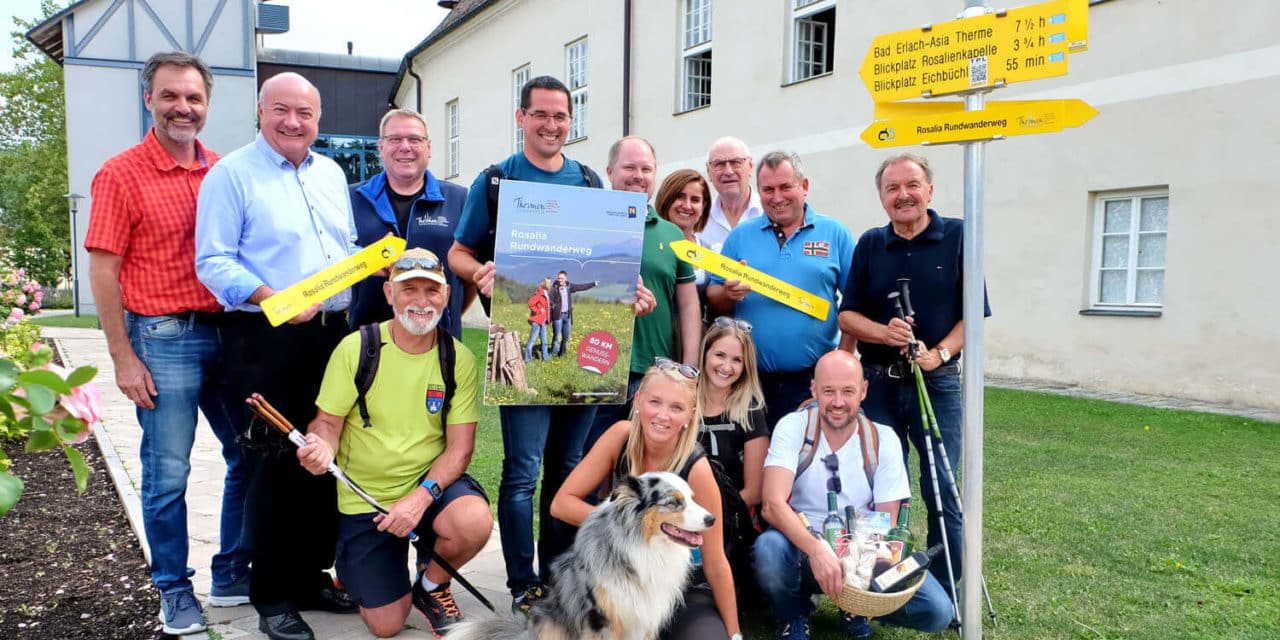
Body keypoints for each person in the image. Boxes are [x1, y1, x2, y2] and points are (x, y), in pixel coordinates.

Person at [447, 75, 656, 613]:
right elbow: (458, 255)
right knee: (522, 472)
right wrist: (483, 274)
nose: (551, 125)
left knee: (569, 469)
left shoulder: (588, 181)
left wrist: (625, 290)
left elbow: (605, 256)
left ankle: (559, 574)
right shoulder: (494, 182)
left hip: (588, 359)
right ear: (521, 119)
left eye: (561, 116)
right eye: (540, 115)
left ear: (571, 122)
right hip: (517, 350)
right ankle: (523, 582)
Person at [84, 51, 248, 635]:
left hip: (228, 334)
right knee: (169, 472)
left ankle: (231, 573)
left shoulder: (224, 171)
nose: (184, 107)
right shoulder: (120, 173)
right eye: (170, 96)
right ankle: (174, 589)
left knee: (250, 453)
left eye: (194, 98)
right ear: (148, 99)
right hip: (161, 337)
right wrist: (122, 358)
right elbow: (104, 271)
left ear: (207, 104)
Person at [195, 72, 358, 640]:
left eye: (305, 114)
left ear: (318, 119)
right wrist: (274, 300)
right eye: (281, 110)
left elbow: (339, 250)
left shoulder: (332, 173)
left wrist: (374, 261)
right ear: (260, 111)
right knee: (273, 462)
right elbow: (213, 262)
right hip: (265, 338)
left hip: (331, 336)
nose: (293, 122)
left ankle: (311, 576)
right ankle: (269, 595)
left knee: (323, 454)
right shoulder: (231, 174)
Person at [295, 249, 493, 638]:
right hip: (366, 499)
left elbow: (460, 450)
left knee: (473, 521)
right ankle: (366, 573)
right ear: (389, 293)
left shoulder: (459, 359)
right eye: (409, 290)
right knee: (386, 625)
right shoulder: (357, 348)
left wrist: (418, 500)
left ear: (447, 295)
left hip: (428, 489)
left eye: (432, 291)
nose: (421, 301)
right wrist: (320, 447)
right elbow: (326, 424)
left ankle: (431, 585)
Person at [838, 153, 991, 595]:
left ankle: (945, 587)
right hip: (880, 382)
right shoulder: (870, 243)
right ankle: (875, 581)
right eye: (892, 188)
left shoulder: (960, 235)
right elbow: (848, 316)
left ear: (929, 190)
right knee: (878, 483)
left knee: (940, 485)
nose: (903, 195)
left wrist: (939, 354)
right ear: (882, 197)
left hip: (936, 383)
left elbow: (974, 315)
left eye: (912, 185)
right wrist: (885, 333)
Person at [753, 351, 953, 640]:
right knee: (769, 550)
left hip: (863, 550)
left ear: (863, 391)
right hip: (802, 548)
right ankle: (793, 613)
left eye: (848, 391)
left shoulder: (882, 439)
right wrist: (817, 550)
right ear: (813, 390)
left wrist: (856, 577)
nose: (837, 402)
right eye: (828, 391)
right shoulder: (793, 426)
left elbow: (887, 522)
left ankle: (855, 608)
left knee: (937, 611)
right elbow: (772, 505)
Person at [551, 361, 743, 640]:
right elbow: (562, 503)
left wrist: (735, 634)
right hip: (619, 577)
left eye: (676, 407)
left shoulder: (697, 467)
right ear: (638, 400)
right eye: (655, 402)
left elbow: (715, 563)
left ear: (690, 414)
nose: (663, 416)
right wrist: (628, 523)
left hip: (682, 587)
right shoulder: (620, 436)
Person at [705, 151, 855, 431]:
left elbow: (855, 305)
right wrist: (728, 294)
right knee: (754, 467)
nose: (777, 197)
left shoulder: (835, 233)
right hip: (749, 381)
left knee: (811, 467)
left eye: (786, 187)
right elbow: (714, 299)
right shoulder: (740, 236)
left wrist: (842, 360)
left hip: (812, 381)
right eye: (768, 190)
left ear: (804, 186)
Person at [585, 136, 701, 451]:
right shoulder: (585, 223)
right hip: (593, 368)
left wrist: (689, 369)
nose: (639, 175)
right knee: (588, 462)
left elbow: (689, 305)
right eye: (630, 167)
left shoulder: (671, 233)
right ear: (609, 171)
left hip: (654, 373)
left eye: (646, 169)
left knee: (643, 467)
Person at [348, 108, 472, 336]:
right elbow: (334, 263)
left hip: (438, 344)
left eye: (415, 139)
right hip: (368, 342)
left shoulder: (460, 199)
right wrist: (369, 259)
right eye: (395, 139)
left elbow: (471, 274)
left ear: (429, 147)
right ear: (381, 147)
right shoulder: (351, 199)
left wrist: (448, 313)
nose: (405, 146)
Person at [696, 316, 767, 511]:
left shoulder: (750, 412)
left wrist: (714, 516)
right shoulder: (684, 402)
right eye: (719, 355)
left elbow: (754, 492)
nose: (726, 367)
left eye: (737, 360)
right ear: (705, 354)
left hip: (730, 517)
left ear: (745, 367)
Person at [655, 169, 714, 322]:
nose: (687, 206)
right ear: (666, 198)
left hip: (694, 336)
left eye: (695, 200)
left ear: (703, 206)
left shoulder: (707, 250)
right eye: (680, 197)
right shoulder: (648, 242)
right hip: (655, 333)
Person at [699, 136, 764, 254]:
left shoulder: (770, 213)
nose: (728, 171)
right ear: (708, 171)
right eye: (719, 164)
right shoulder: (700, 220)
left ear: (750, 167)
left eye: (736, 162)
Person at [547, 270, 598, 358]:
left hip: (568, 316)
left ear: (566, 278)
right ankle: (553, 356)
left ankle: (562, 356)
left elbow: (581, 287)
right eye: (558, 278)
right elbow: (550, 302)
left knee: (566, 338)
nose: (560, 280)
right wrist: (552, 313)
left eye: (561, 278)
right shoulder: (554, 288)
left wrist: (593, 284)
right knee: (556, 338)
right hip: (557, 317)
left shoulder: (569, 286)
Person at [524, 277, 551, 363]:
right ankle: (527, 360)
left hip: (543, 321)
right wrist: (538, 311)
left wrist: (548, 319)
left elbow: (547, 307)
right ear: (544, 284)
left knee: (545, 341)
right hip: (537, 321)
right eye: (548, 283)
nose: (550, 285)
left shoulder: (545, 293)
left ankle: (546, 359)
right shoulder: (539, 294)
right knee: (532, 341)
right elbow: (530, 303)